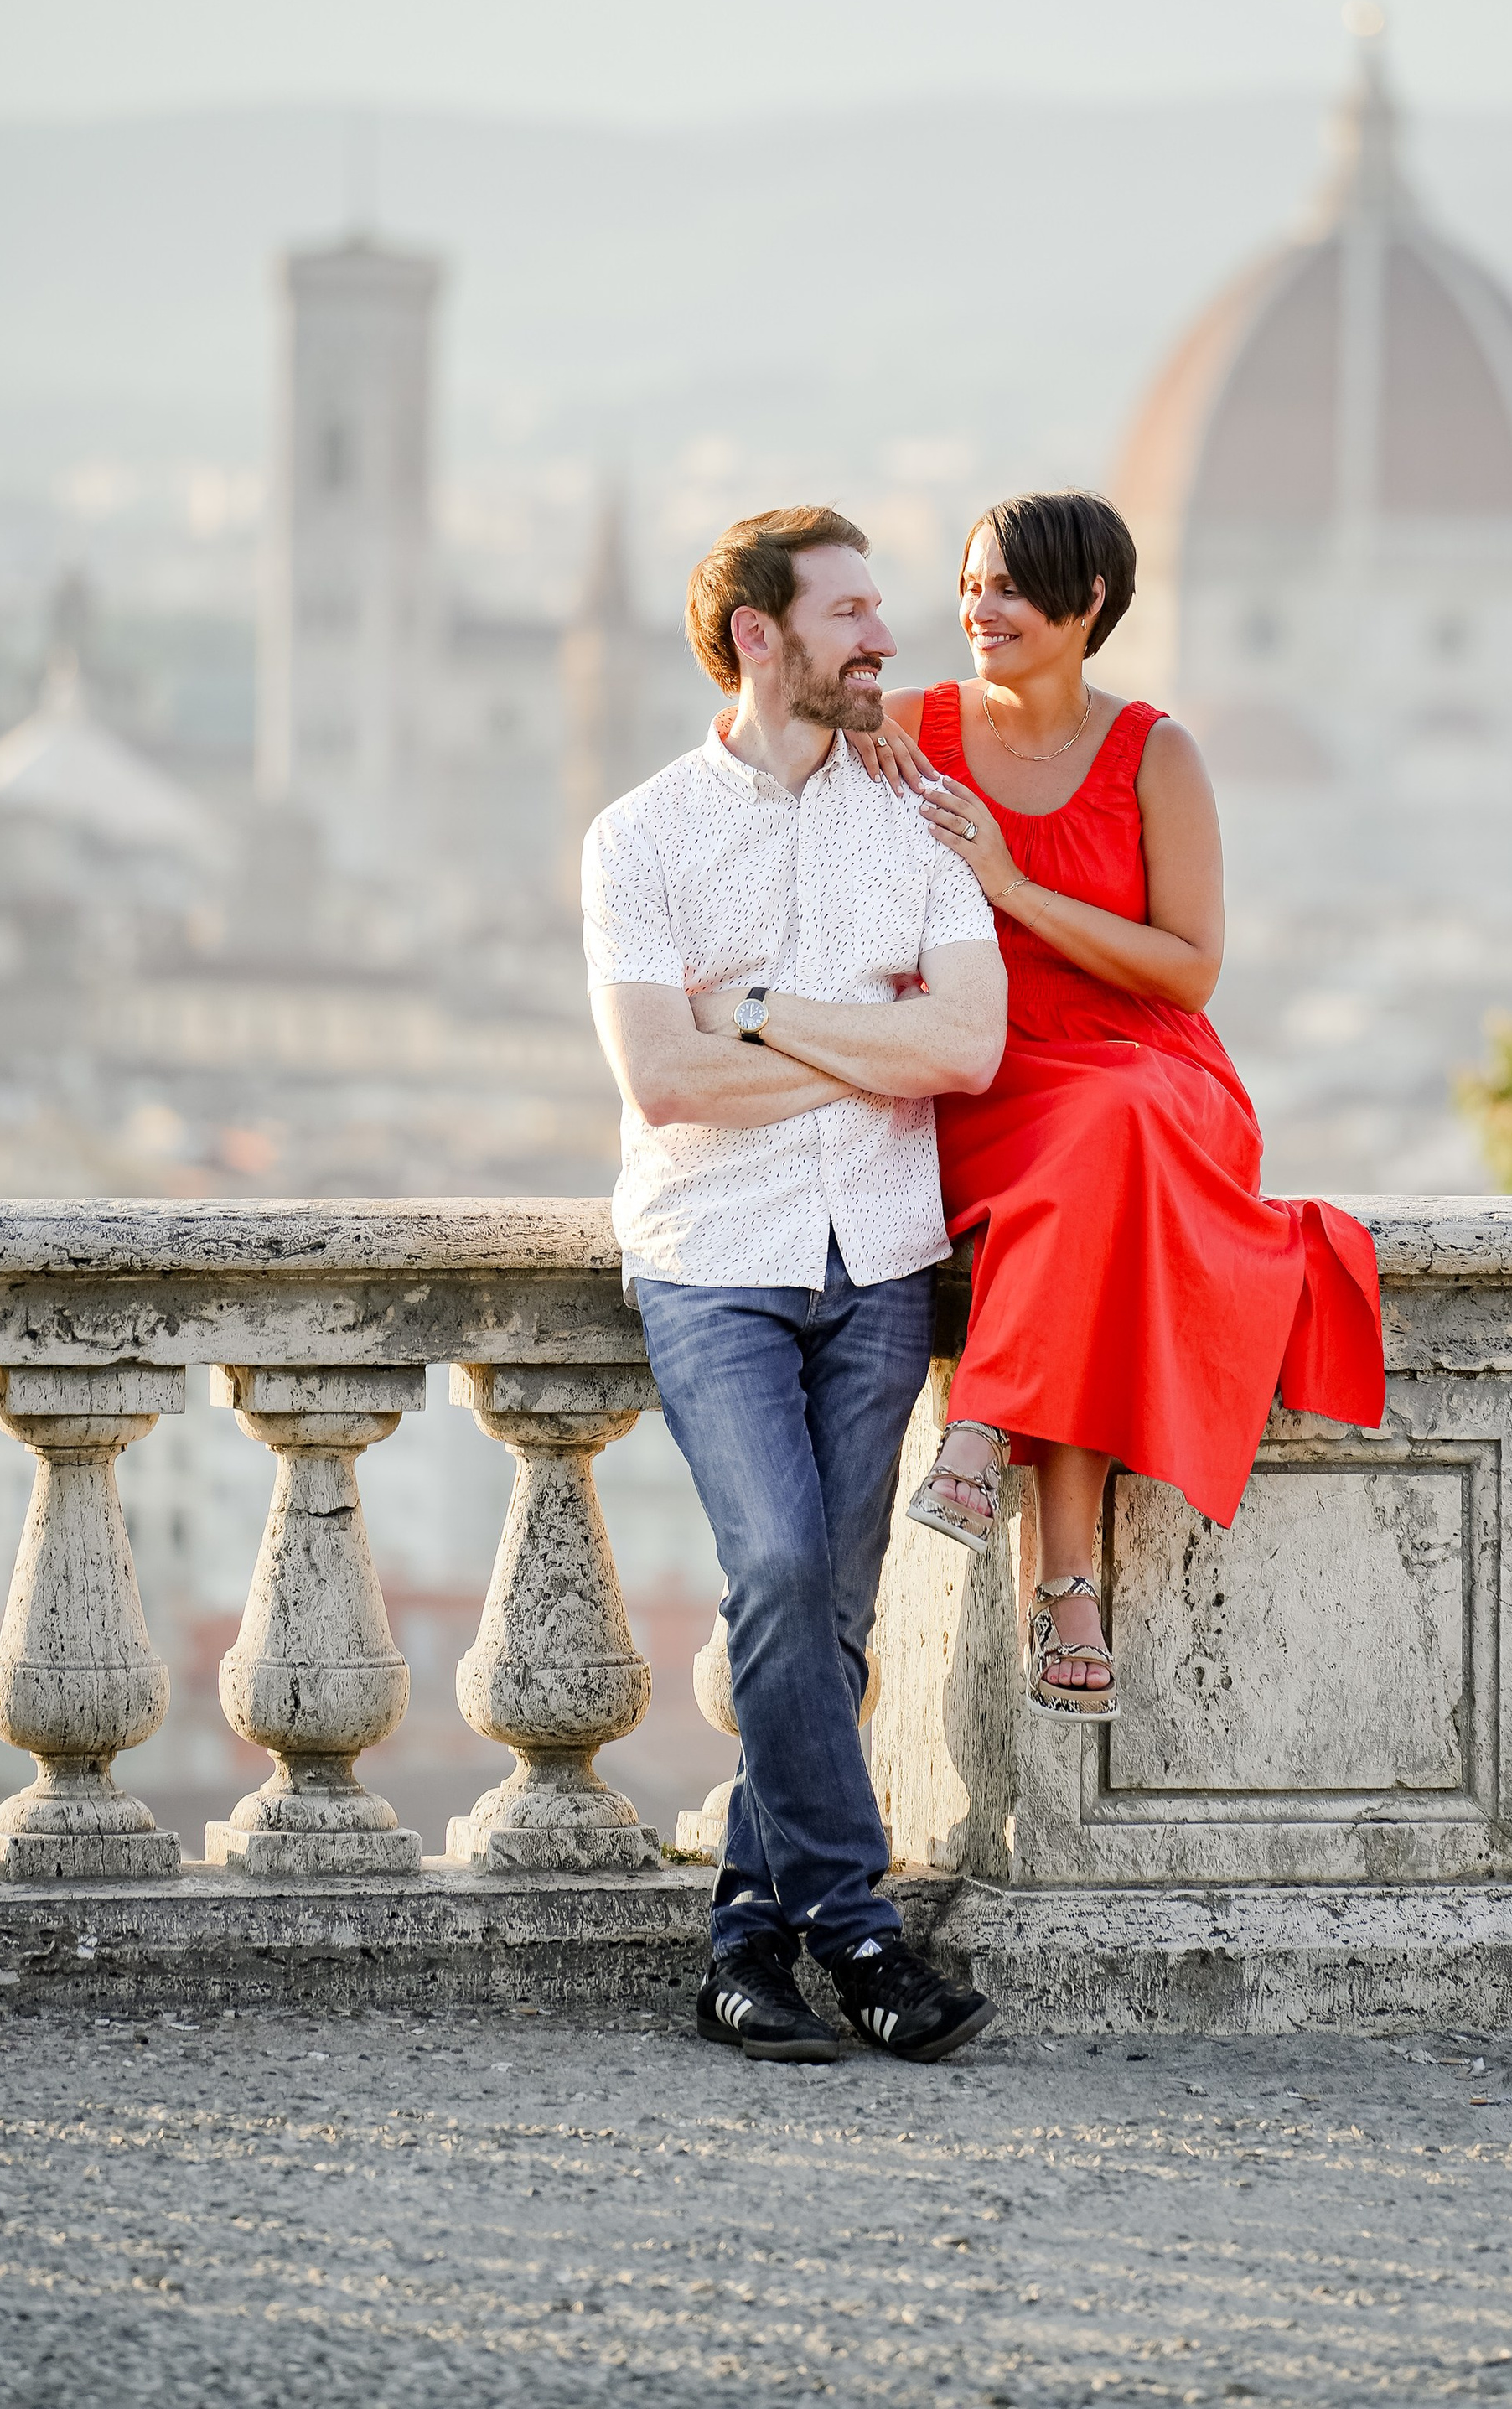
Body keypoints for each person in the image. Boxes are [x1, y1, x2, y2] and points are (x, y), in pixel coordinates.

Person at [583, 504, 1009, 2065]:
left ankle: (748, 1943)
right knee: (772, 1571)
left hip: (883, 1260)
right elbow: (665, 1084)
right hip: (714, 1263)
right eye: (850, 615)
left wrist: (756, 1010)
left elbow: (965, 1048)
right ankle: (864, 1932)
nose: (886, 641)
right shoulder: (638, 839)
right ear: (760, 634)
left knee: (832, 1616)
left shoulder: (917, 816)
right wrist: (856, 1048)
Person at [868, 490, 1383, 1717]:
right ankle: (1061, 1584)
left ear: (1088, 601)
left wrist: (1007, 879)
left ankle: (1006, 1463)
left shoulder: (1158, 754)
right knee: (1089, 1185)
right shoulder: (905, 731)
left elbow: (1190, 967)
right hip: (985, 1072)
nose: (978, 610)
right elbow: (755, 743)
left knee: (1106, 1137)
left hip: (1148, 1067)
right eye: (970, 583)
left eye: (1007, 587)